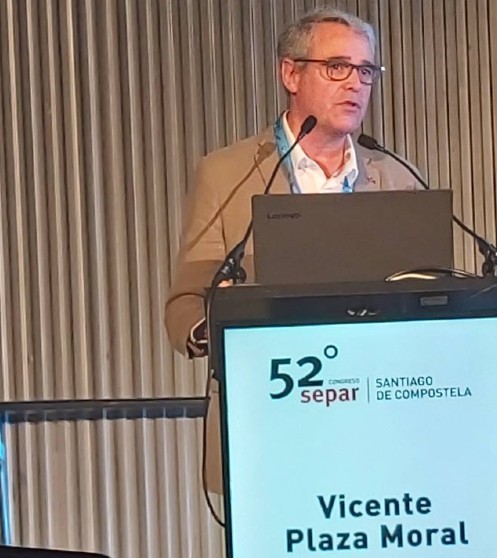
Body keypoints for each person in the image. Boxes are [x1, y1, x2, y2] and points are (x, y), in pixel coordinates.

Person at [163, 8, 420, 494]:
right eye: (337, 67)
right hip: (267, 432)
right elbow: (185, 308)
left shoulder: (397, 177)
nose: (356, 83)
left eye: (366, 70)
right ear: (291, 74)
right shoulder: (227, 174)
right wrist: (224, 320)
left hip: (376, 433)